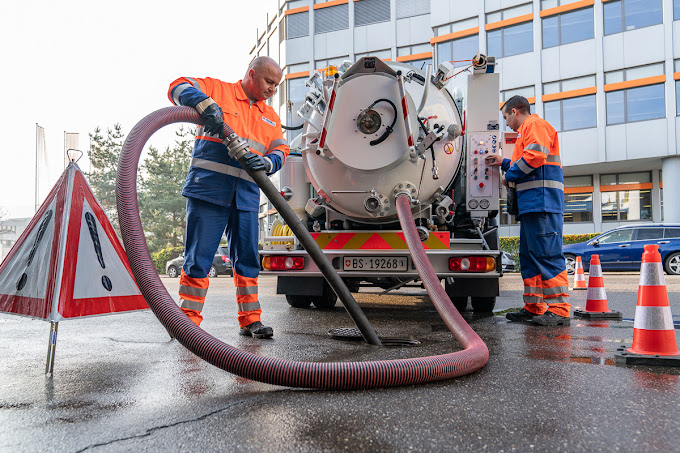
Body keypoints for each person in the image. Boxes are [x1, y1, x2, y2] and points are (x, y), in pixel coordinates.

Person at [167, 56, 289, 338]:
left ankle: (250, 320)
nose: (273, 89)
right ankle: (187, 323)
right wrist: (201, 102)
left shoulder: (270, 116)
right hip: (209, 190)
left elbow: (281, 148)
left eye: (277, 85)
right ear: (252, 74)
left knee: (247, 259)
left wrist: (270, 163)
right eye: (269, 81)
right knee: (199, 258)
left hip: (246, 196)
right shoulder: (218, 91)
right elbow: (177, 86)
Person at [486, 95, 570, 326]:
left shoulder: (534, 124)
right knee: (529, 257)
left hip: (542, 203)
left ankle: (560, 309)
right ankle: (534, 306)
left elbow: (534, 157)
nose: (506, 123)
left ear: (515, 111)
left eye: (505, 117)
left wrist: (509, 175)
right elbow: (529, 159)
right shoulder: (529, 130)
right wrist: (504, 162)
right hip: (533, 205)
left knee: (546, 255)